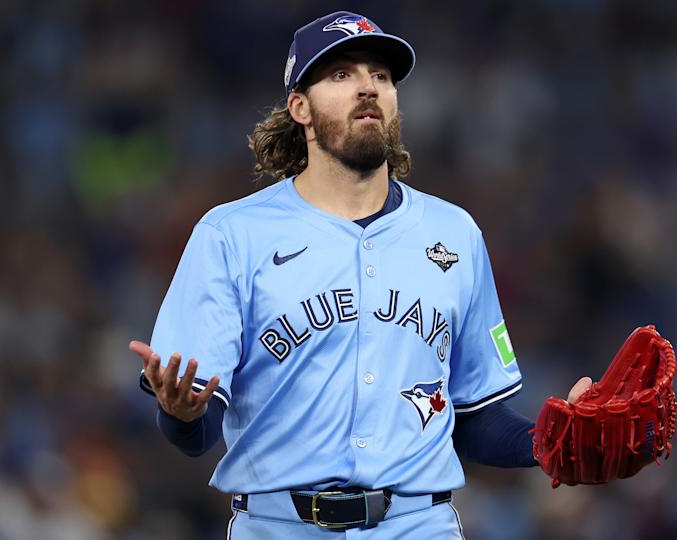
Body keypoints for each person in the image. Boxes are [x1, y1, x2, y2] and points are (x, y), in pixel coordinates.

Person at [129, 10, 592, 538]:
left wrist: (550, 441)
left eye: (381, 76)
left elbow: (474, 416)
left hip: (419, 524)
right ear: (299, 107)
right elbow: (197, 429)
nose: (368, 88)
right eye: (342, 75)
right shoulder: (232, 235)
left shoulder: (455, 233)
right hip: (278, 526)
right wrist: (182, 413)